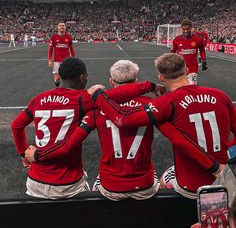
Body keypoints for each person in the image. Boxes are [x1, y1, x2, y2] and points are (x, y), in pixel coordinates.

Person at [26, 56, 226, 200]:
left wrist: (36, 155)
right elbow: (177, 138)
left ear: (111, 82)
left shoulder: (97, 108)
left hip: (110, 188)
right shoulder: (152, 105)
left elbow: (70, 143)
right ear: (136, 81)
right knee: (166, 177)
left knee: (93, 181)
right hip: (146, 186)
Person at [86, 53, 236, 199]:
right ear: (187, 71)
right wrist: (227, 153)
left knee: (164, 178)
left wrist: (97, 95)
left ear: (161, 78)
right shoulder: (220, 95)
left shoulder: (165, 103)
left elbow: (123, 118)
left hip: (190, 186)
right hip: (224, 180)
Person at [12, 57, 160, 200]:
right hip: (68, 182)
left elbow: (16, 125)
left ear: (60, 76)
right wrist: (150, 86)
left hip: (35, 181)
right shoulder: (82, 99)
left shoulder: (38, 99)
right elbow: (117, 94)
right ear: (82, 77)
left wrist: (23, 153)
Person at [171, 19, 207, 85]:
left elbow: (202, 50)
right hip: (180, 68)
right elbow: (172, 52)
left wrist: (204, 60)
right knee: (181, 89)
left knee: (191, 87)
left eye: (188, 29)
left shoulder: (198, 39)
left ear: (191, 28)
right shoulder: (176, 40)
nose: (186, 31)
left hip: (192, 68)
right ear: (181, 28)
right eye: (184, 29)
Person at [48, 21, 75, 87]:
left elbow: (71, 48)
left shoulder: (68, 37)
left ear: (65, 27)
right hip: (57, 61)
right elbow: (50, 49)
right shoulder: (54, 37)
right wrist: (49, 60)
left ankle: (66, 90)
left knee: (68, 78)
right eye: (60, 25)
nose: (62, 27)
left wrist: (74, 58)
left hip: (67, 61)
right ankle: (58, 89)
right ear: (57, 27)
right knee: (57, 78)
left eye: (63, 25)